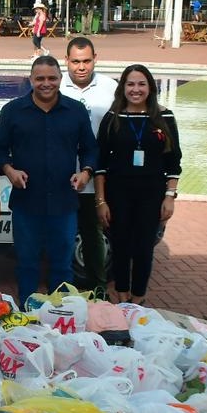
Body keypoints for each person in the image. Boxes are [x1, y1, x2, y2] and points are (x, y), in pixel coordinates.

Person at [0, 55, 97, 306]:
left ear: (61, 79)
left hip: (64, 202)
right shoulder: (13, 111)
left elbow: (90, 149)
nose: (46, 83)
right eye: (39, 78)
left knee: (62, 265)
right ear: (30, 79)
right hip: (27, 202)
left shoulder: (76, 110)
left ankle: (61, 316)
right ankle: (29, 313)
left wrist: (85, 172)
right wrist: (9, 170)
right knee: (27, 263)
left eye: (52, 78)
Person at [94, 64, 181, 306]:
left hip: (151, 195)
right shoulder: (113, 119)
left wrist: (169, 196)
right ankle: (122, 299)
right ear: (123, 88)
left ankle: (139, 299)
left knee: (144, 249)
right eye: (130, 84)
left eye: (141, 84)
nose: (136, 89)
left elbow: (174, 162)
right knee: (120, 247)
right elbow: (100, 163)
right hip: (118, 193)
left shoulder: (165, 118)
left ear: (150, 87)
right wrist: (101, 201)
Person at [59, 36, 117, 295]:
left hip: (96, 178)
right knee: (61, 234)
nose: (81, 67)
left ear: (96, 59)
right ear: (66, 61)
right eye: (75, 61)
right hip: (61, 176)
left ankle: (99, 286)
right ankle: (63, 288)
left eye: (86, 61)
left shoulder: (110, 88)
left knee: (93, 234)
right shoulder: (54, 85)